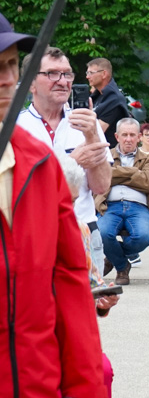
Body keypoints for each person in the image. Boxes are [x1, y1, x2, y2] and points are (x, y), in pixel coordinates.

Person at [0, 13, 106, 398]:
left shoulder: (40, 166)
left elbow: (69, 277)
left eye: (11, 65)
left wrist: (84, 378)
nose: (3, 78)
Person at [52, 157, 118, 398]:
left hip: (72, 330)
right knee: (47, 371)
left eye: (72, 199)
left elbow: (91, 280)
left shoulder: (78, 229)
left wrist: (101, 298)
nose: (69, 207)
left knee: (101, 370)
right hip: (29, 331)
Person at [16, 46, 112, 273]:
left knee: (90, 307)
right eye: (51, 74)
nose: (62, 81)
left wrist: (90, 135)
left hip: (82, 231)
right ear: (30, 83)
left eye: (67, 74)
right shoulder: (15, 128)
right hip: (31, 234)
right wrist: (72, 161)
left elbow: (101, 186)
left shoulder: (88, 124)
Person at [96, 118, 149, 285]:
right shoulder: (105, 155)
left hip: (139, 207)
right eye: (124, 134)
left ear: (139, 137)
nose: (128, 139)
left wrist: (116, 174)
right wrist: (134, 173)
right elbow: (102, 176)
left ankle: (112, 259)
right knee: (103, 234)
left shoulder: (148, 159)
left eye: (132, 135)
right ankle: (122, 266)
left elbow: (148, 182)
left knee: (143, 237)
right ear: (116, 136)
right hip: (110, 206)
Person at [86, 57, 129, 147]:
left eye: (91, 73)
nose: (87, 76)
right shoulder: (97, 96)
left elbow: (96, 132)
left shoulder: (114, 99)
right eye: (87, 73)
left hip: (109, 155)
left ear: (104, 74)